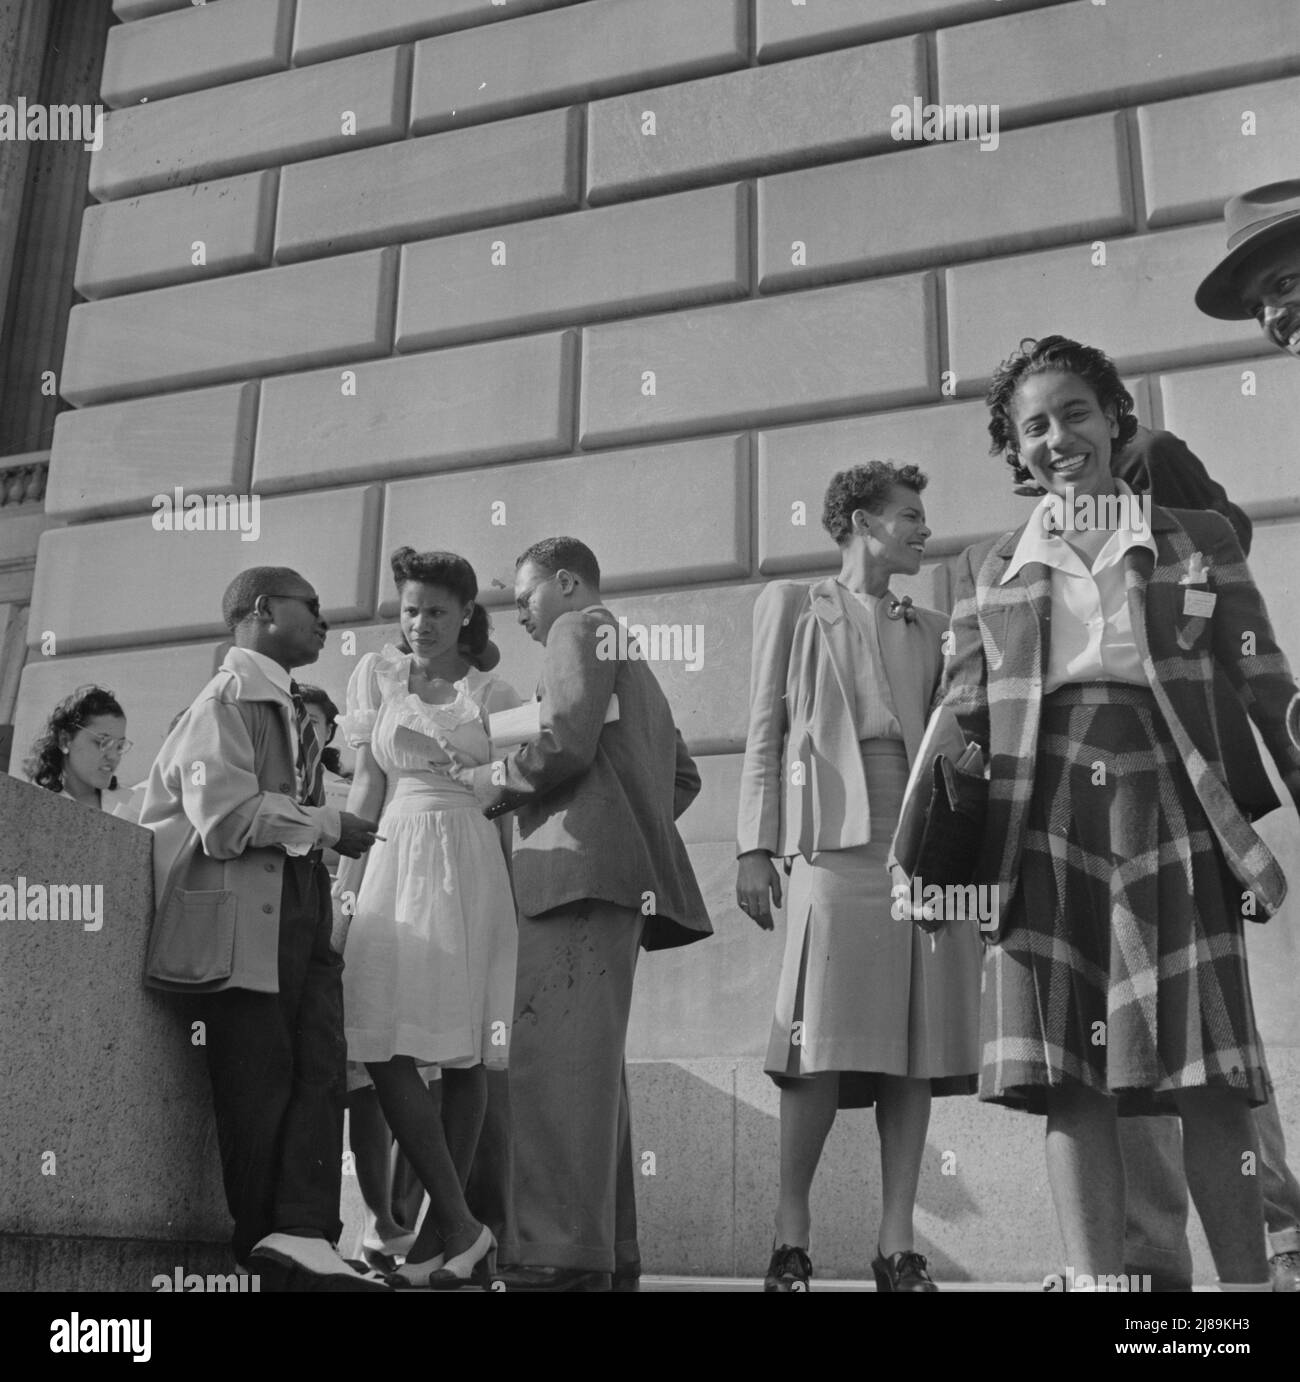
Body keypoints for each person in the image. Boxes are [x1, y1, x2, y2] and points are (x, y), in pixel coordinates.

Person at [921, 334, 1300, 1291]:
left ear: (1115, 416)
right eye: (1034, 426)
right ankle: (1102, 1292)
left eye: (1075, 413)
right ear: (1017, 451)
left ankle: (1245, 1303)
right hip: (1036, 827)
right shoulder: (984, 566)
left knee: (1209, 1077)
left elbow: (1265, 681)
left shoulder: (1195, 539)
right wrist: (924, 862)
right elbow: (959, 718)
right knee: (1067, 1080)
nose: (1059, 438)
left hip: (1170, 811)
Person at [735, 463, 981, 1292]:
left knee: (912, 1041)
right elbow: (765, 729)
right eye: (909, 516)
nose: (923, 530)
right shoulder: (793, 604)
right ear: (861, 522)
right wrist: (752, 846)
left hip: (919, 842)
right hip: (828, 843)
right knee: (817, 1040)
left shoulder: (936, 622)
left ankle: (896, 1243)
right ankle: (789, 1234)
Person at [1118, 180, 1300, 1294]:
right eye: (1266, 300)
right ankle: (1171, 1253)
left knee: (1210, 1034)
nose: (1276, 319)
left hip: (1209, 798)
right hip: (1116, 807)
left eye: (1284, 283)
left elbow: (1242, 622)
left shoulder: (1175, 505)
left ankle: (1270, 1233)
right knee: (1145, 1032)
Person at [459, 536, 711, 1291]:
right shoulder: (629, 656)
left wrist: (490, 784)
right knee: (592, 1076)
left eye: (525, 599)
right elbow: (684, 778)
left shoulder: (579, 629)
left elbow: (565, 739)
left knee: (551, 1073)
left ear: (566, 583)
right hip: (611, 884)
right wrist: (623, 823)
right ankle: (605, 1253)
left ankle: (552, 1257)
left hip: (569, 878)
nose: (522, 619)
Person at [140, 566, 387, 1290]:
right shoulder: (225, 699)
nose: (324, 619)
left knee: (320, 1066)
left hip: (299, 902)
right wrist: (329, 821)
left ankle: (306, 1232)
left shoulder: (279, 703)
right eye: (308, 606)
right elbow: (226, 819)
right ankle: (263, 1245)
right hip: (244, 920)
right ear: (259, 610)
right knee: (260, 1080)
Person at [333, 547, 520, 1288]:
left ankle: (434, 1250)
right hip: (389, 856)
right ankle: (464, 1228)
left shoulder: (496, 692)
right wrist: (343, 898)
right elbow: (363, 795)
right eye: (409, 609)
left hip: (469, 860)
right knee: (379, 1038)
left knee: (467, 1049)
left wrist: (510, 898)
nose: (419, 624)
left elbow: (505, 803)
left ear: (466, 613)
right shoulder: (375, 677)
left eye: (436, 610)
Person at [24, 684, 129, 811]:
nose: (114, 756)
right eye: (103, 742)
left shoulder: (136, 806)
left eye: (119, 746)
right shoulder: (35, 808)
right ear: (65, 741)